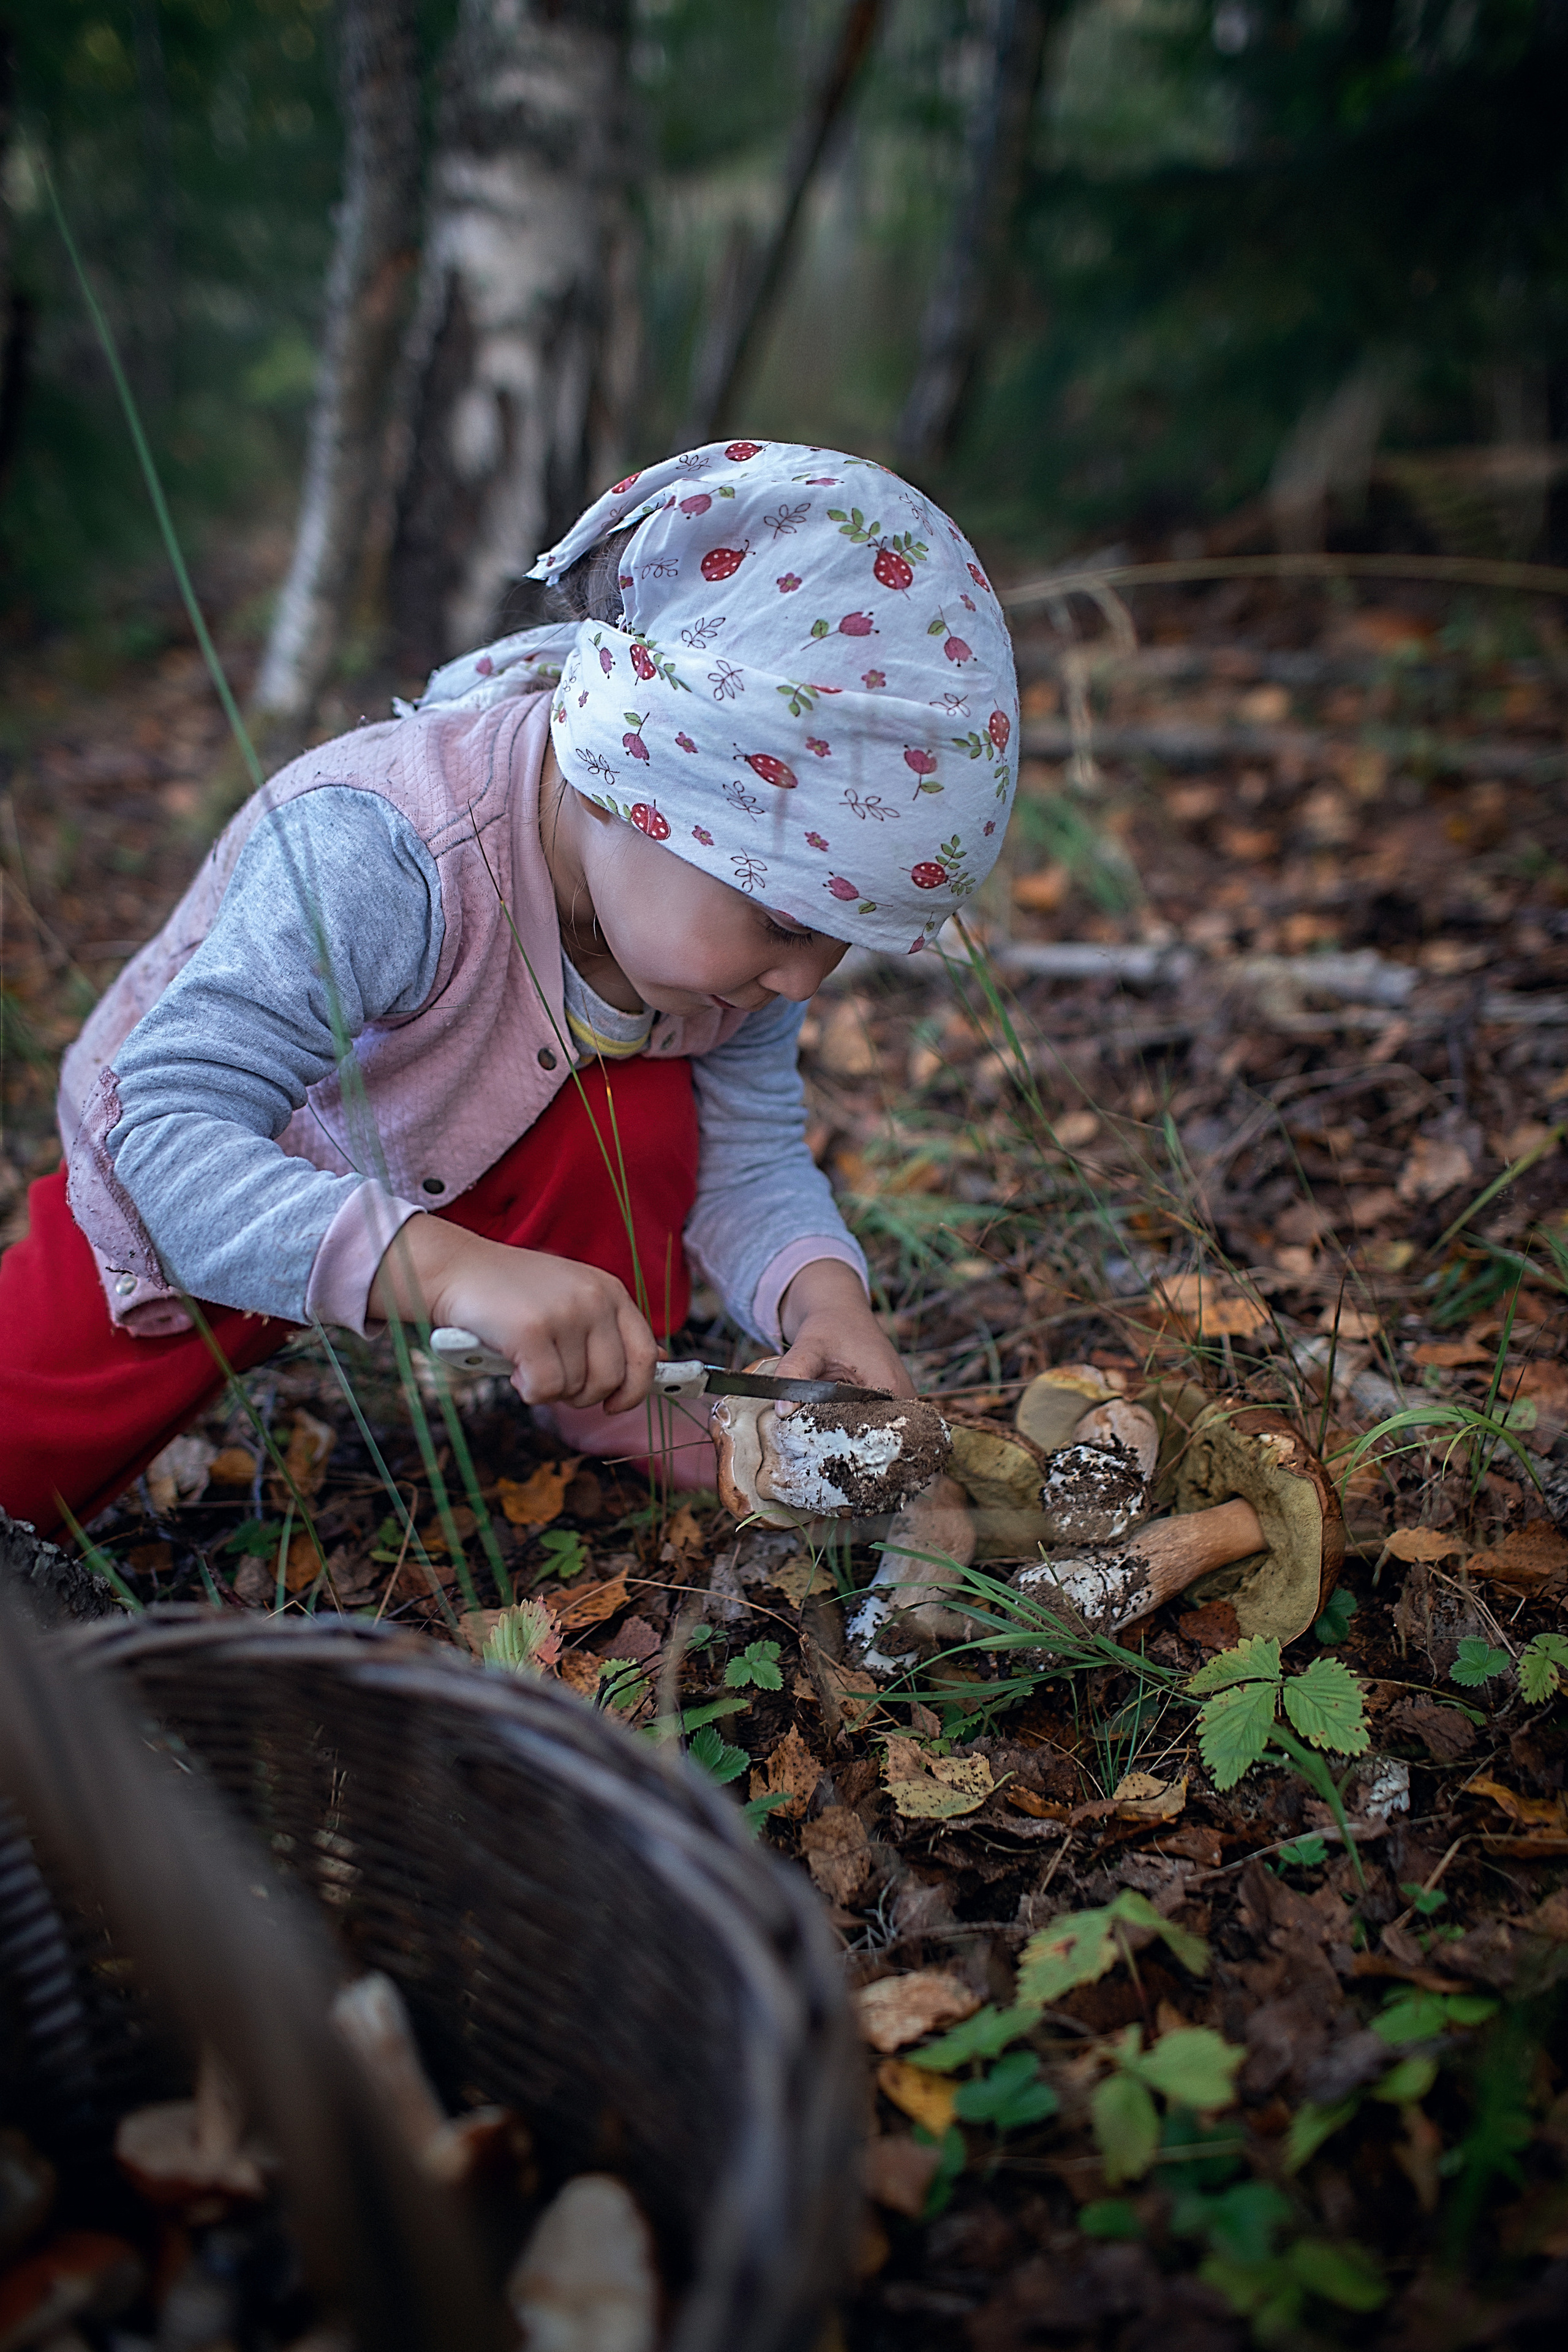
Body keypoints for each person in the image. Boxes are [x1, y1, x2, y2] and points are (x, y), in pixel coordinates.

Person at [0, 439, 1019, 1539]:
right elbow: (162, 1135)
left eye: (842, 943)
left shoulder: (729, 967)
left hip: (467, 1130)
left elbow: (752, 1152)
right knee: (29, 1452)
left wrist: (826, 1299)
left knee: (646, 1112)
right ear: (636, 783)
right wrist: (443, 1270)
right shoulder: (385, 849)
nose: (802, 977)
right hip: (232, 1175)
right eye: (782, 922)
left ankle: (601, 1375)